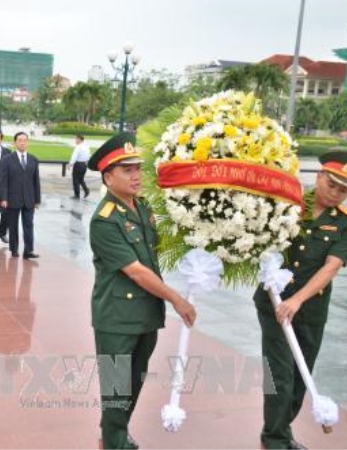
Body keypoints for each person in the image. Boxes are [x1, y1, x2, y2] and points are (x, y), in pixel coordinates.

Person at [253, 150, 347, 450]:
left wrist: (299, 301)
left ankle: (282, 431)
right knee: (279, 372)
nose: (336, 193)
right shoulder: (287, 205)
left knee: (301, 374)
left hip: (311, 307)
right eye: (332, 185)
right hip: (274, 302)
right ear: (319, 177)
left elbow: (331, 266)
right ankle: (274, 439)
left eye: (344, 190)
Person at [87, 133, 196, 449]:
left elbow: (161, 244)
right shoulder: (104, 221)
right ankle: (114, 441)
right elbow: (135, 271)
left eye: (138, 168)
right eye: (127, 170)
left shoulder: (142, 207)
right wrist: (177, 299)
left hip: (145, 315)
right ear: (108, 177)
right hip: (117, 318)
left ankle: (115, 431)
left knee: (133, 384)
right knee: (116, 388)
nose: (136, 176)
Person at [0, 132, 40, 259]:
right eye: (20, 140)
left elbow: (36, 181)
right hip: (12, 199)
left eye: (24, 140)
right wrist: (3, 198)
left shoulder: (33, 159)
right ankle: (14, 249)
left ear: (28, 142)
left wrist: (37, 199)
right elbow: (3, 180)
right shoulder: (7, 160)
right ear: (15, 143)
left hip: (29, 199)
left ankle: (28, 251)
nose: (22, 142)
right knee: (13, 226)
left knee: (28, 225)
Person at [69, 134, 90, 199]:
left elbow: (74, 156)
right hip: (84, 164)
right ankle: (86, 190)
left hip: (78, 164)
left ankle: (77, 195)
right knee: (81, 179)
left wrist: (70, 164)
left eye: (76, 139)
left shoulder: (78, 147)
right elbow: (89, 155)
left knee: (75, 180)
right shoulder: (86, 146)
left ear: (79, 139)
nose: (75, 140)